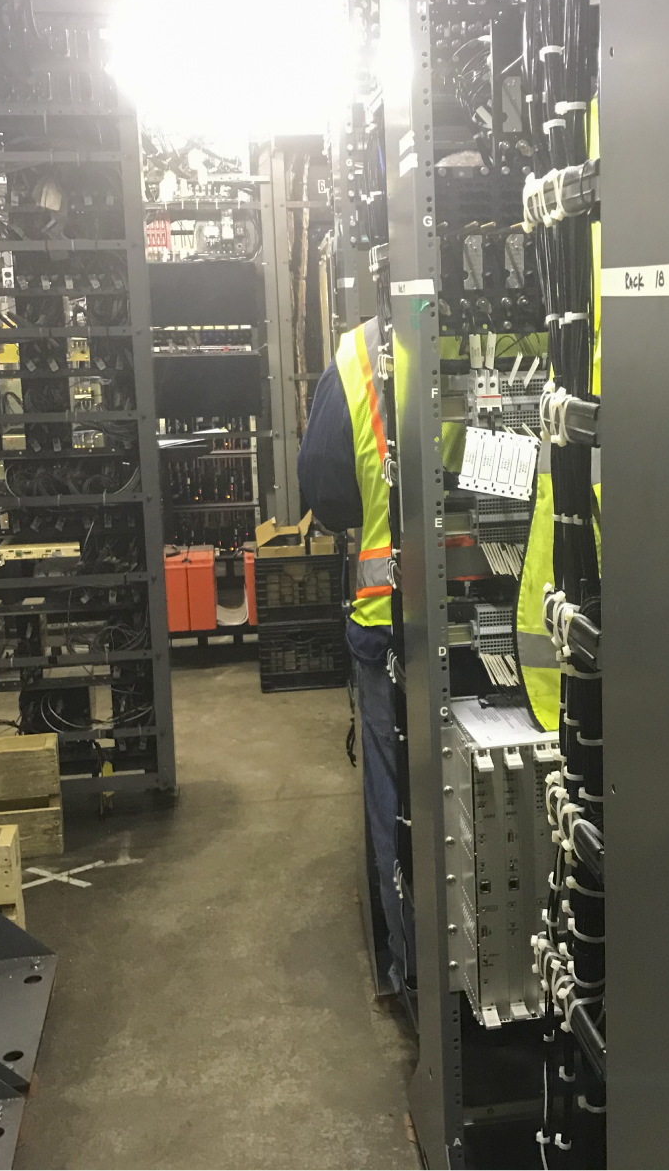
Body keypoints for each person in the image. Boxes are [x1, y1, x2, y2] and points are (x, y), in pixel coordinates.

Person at [297, 318, 409, 994]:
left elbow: (327, 492)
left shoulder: (361, 352)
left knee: (400, 803)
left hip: (390, 623)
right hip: (518, 616)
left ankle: (412, 973)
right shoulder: (564, 302)